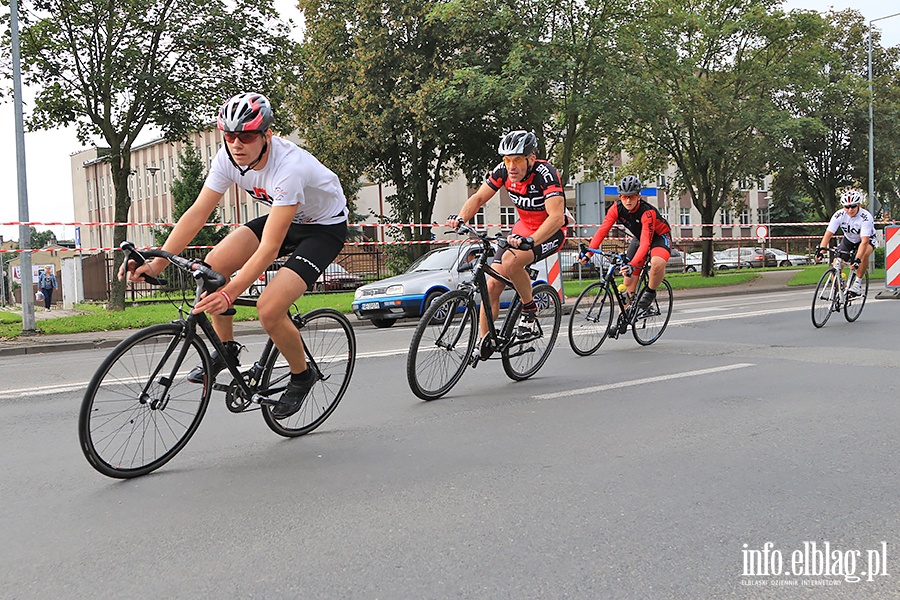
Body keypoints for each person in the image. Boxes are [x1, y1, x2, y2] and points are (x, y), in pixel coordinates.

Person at [121, 92, 348, 419]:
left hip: (323, 229)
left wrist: (231, 292)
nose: (237, 143)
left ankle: (302, 375)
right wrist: (157, 262)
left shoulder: (289, 167)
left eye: (246, 135)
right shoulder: (227, 158)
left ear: (267, 135)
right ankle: (226, 349)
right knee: (212, 267)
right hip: (286, 217)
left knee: (269, 309)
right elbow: (198, 212)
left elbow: (270, 247)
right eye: (229, 136)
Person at [445, 130, 567, 350]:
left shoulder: (545, 173)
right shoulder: (503, 172)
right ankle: (484, 342)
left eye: (518, 160)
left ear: (531, 158)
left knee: (511, 263)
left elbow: (557, 217)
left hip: (549, 231)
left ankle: (529, 309)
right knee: (491, 285)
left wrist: (531, 240)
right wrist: (461, 217)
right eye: (507, 160)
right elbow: (480, 196)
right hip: (523, 227)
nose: (511, 166)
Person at [580, 175, 672, 329]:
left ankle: (650, 292)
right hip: (639, 238)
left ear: (639, 196)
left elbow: (646, 243)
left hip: (659, 237)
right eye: (624, 197)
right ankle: (625, 317)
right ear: (619, 197)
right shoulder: (616, 208)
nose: (628, 201)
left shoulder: (647, 212)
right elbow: (602, 231)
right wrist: (589, 253)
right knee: (627, 280)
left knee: (656, 263)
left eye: (632, 197)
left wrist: (633, 264)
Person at [814, 188, 875, 295]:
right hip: (849, 240)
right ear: (843, 206)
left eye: (853, 206)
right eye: (847, 207)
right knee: (836, 264)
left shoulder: (866, 217)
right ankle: (841, 290)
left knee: (864, 255)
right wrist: (821, 251)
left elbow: (864, 242)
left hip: (866, 240)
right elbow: (828, 234)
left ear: (859, 205)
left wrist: (857, 260)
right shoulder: (839, 215)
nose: (850, 209)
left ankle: (857, 284)